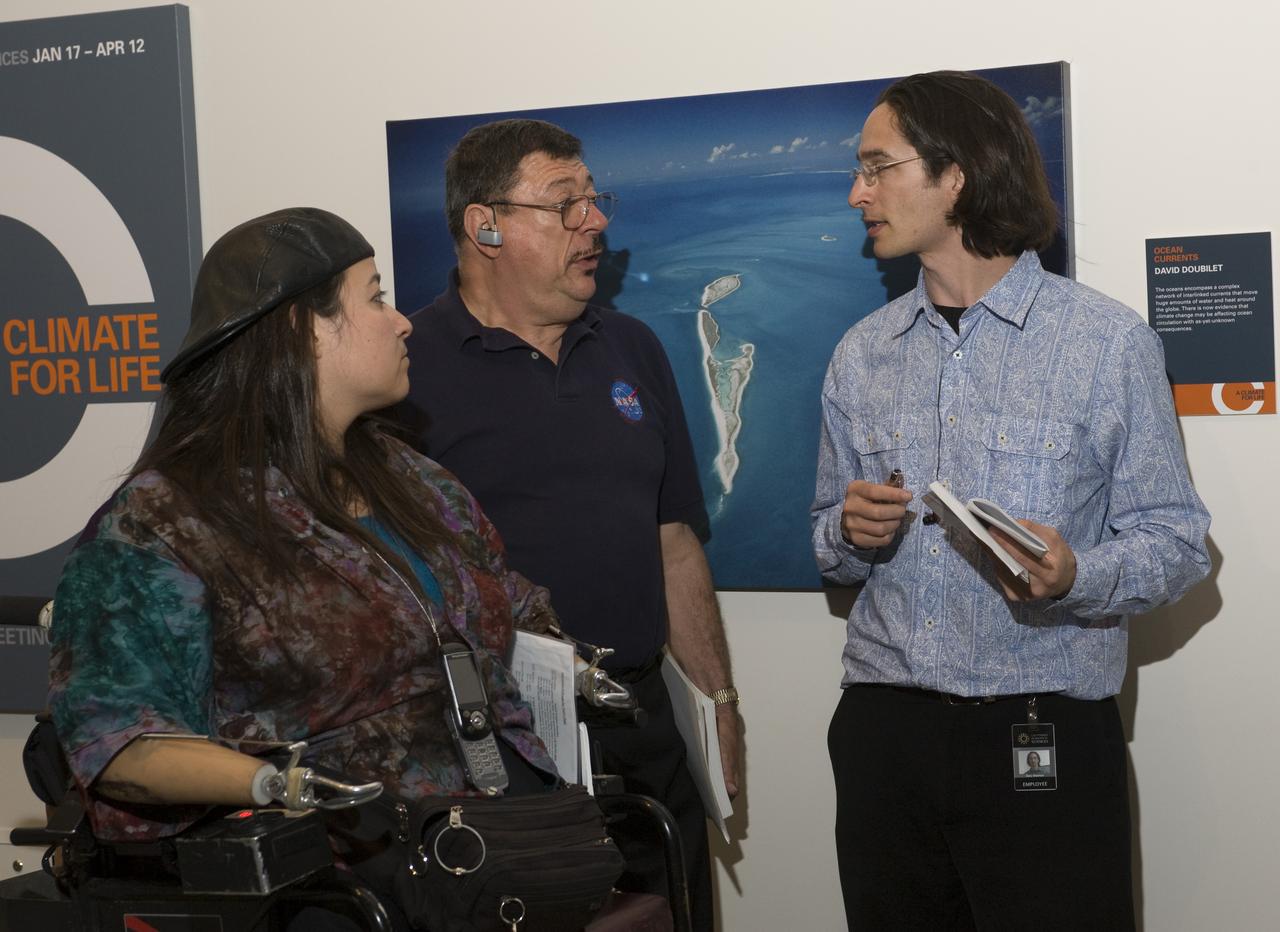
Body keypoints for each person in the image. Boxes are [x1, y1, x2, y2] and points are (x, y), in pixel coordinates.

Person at [48, 208, 572, 931]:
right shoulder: (165, 521)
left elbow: (499, 599)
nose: (403, 322)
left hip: (511, 853)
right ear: (304, 327)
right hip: (343, 886)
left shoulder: (415, 480)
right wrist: (283, 782)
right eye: (376, 296)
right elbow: (117, 743)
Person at [812, 71, 1210, 931]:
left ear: (955, 174)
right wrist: (848, 531)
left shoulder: (1108, 344)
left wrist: (1077, 574)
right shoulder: (861, 355)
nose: (858, 193)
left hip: (1044, 739)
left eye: (878, 168)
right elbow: (827, 543)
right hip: (885, 735)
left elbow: (1179, 541)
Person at [398, 118, 739, 930]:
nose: (597, 222)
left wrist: (721, 703)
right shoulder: (406, 371)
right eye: (566, 204)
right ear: (486, 225)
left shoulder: (634, 349)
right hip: (499, 742)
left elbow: (675, 544)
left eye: (594, 201)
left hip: (644, 724)